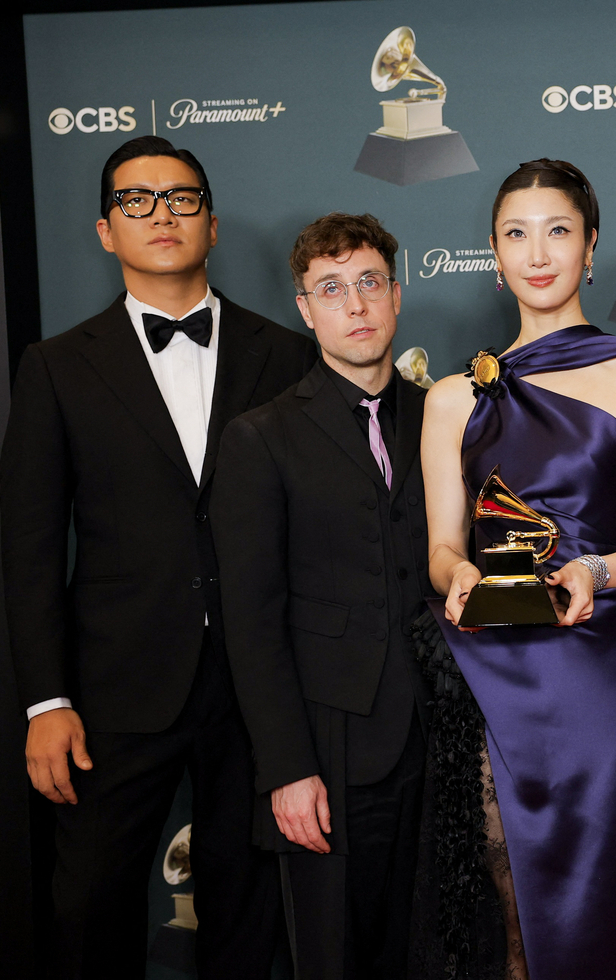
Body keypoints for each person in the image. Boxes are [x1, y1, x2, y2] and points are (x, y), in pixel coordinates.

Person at [0, 135, 315, 977]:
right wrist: (44, 704)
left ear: (210, 224)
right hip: (113, 690)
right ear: (106, 231)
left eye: (180, 198)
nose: (160, 215)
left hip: (256, 687)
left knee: (251, 912)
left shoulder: (285, 354)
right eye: (136, 200)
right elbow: (28, 547)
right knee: (90, 908)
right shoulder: (56, 367)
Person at [416, 158, 616, 980]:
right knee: (508, 904)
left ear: (590, 248)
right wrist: (457, 578)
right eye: (516, 234)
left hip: (605, 681)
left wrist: (597, 573)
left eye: (557, 231)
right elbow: (443, 546)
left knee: (607, 904)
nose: (536, 252)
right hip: (493, 672)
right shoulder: (453, 397)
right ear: (493, 251)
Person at [210, 213, 432, 978]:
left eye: (370, 283)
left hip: (440, 739)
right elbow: (251, 619)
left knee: (430, 949)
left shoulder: (443, 419)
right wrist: (286, 768)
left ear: (396, 295)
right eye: (332, 289)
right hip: (329, 750)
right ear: (305, 309)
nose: (356, 305)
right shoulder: (260, 437)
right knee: (336, 955)